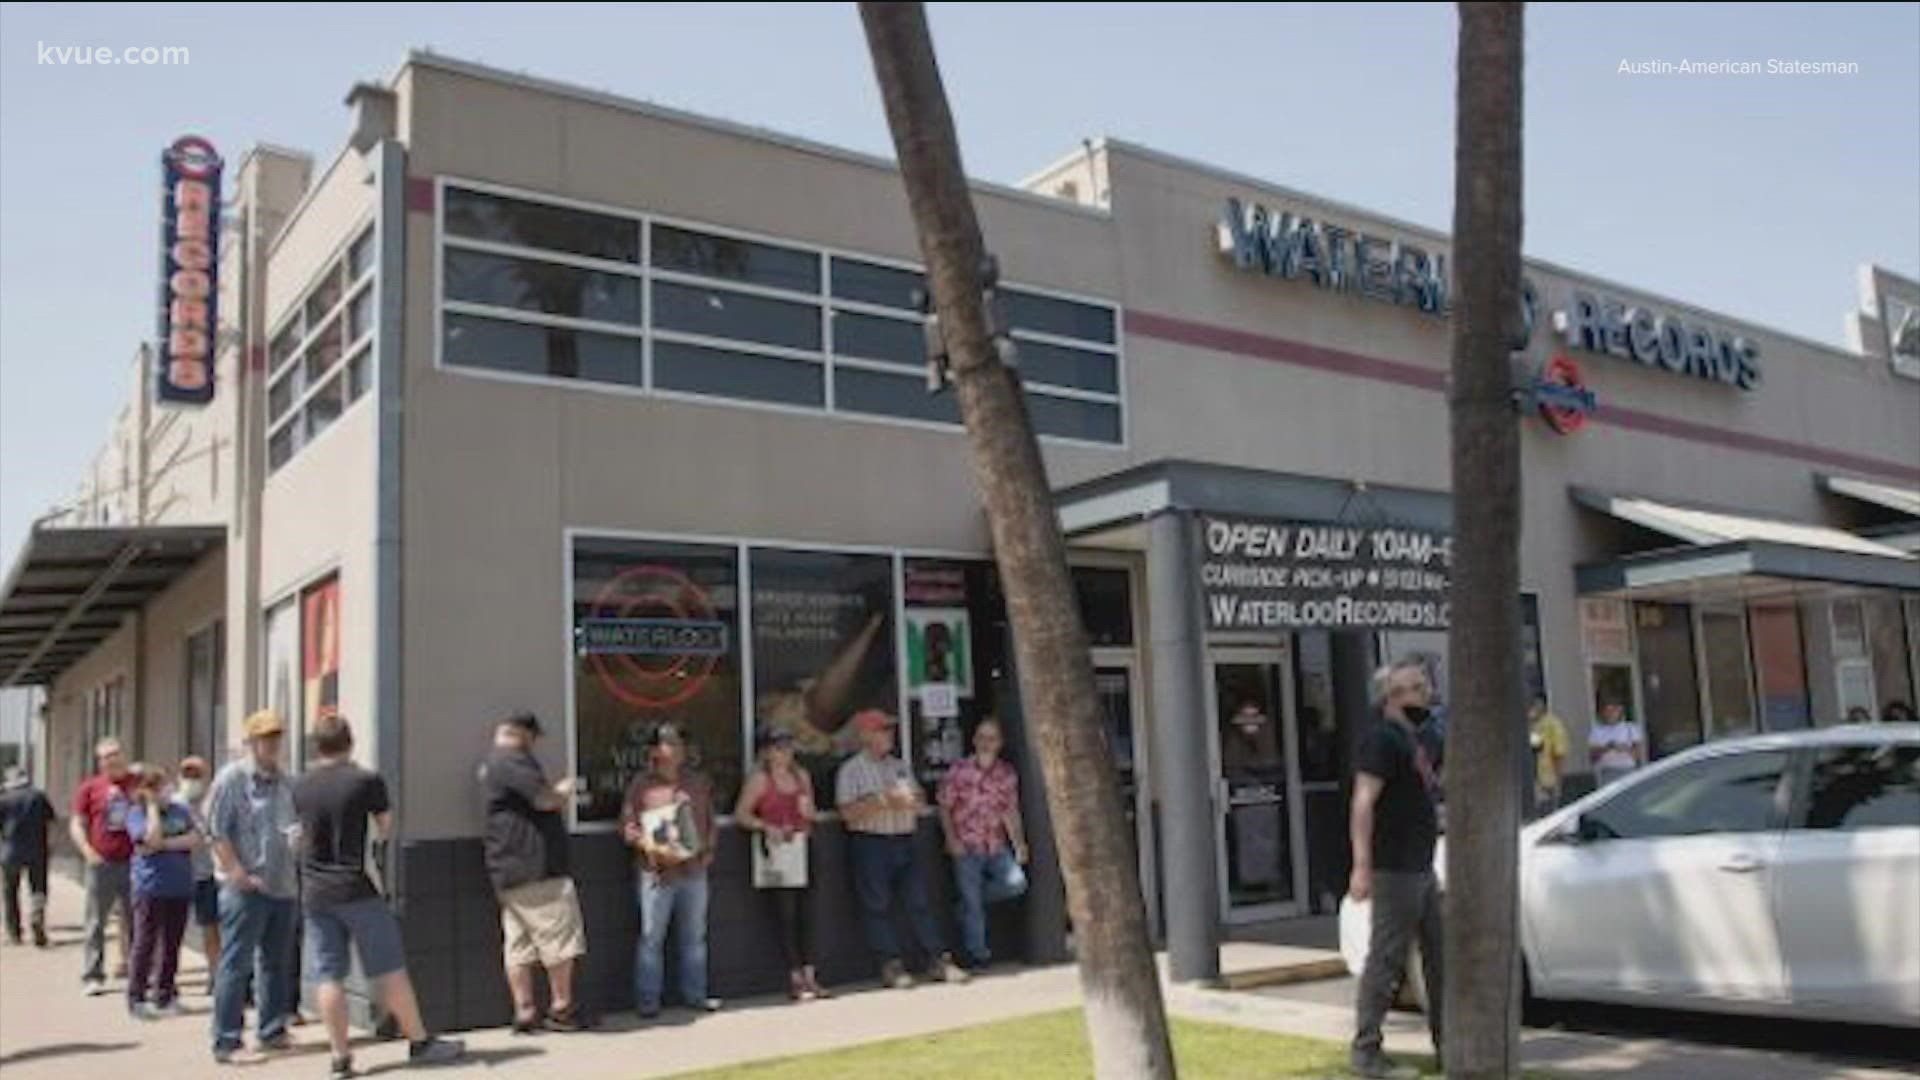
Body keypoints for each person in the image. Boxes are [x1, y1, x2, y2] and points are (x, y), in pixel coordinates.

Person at [293, 713, 465, 1078]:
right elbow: (385, 827)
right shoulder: (365, 781)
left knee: (329, 976)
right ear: (350, 742)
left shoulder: (301, 786)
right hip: (357, 887)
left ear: (316, 746)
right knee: (389, 969)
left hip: (315, 891)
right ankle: (419, 1041)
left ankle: (340, 1058)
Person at [1348, 662, 1444, 1080]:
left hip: (1423, 866)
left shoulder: (1416, 741)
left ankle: (1450, 1044)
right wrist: (1362, 866)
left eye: (1424, 687)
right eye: (1415, 689)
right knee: (1386, 961)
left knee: (1440, 958)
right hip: (1394, 869)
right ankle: (1366, 1051)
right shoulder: (1381, 740)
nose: (1424, 695)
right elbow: (1363, 802)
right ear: (1392, 696)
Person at [835, 708, 968, 990]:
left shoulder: (899, 766)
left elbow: (919, 798)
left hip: (905, 838)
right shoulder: (851, 770)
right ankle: (891, 965)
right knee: (877, 906)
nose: (888, 735)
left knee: (919, 902)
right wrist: (884, 800)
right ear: (865, 735)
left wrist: (912, 799)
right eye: (882, 730)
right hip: (871, 842)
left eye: (889, 729)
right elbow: (847, 814)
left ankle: (938, 960)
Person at [479, 712, 588, 1033]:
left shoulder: (491, 764)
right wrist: (565, 790)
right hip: (535, 867)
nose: (534, 744)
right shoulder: (512, 761)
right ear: (520, 733)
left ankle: (525, 1011)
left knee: (519, 945)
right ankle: (562, 1009)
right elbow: (543, 800)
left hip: (506, 869)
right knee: (558, 939)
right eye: (532, 737)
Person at [206, 710, 301, 1064]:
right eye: (265, 737)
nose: (272, 744)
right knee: (236, 964)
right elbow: (216, 830)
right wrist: (236, 872)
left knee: (275, 962)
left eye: (277, 736)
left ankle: (272, 1029)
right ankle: (226, 1040)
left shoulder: (287, 782)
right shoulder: (232, 779)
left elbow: (293, 825)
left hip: (282, 885)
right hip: (245, 888)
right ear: (250, 742)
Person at [621, 722, 719, 1019]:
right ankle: (649, 1002)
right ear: (655, 750)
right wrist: (649, 846)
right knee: (651, 937)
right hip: (657, 874)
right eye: (670, 743)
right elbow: (628, 828)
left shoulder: (698, 782)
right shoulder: (642, 785)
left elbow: (710, 821)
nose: (677, 749)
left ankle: (696, 996)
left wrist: (709, 852)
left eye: (680, 744)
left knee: (695, 936)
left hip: (694, 871)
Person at [733, 728, 825, 1002]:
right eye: (779, 748)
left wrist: (810, 815)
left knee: (809, 912)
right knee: (786, 915)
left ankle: (811, 974)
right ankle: (794, 976)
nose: (785, 753)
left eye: (788, 747)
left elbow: (811, 812)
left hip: (802, 845)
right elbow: (742, 814)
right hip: (776, 851)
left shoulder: (801, 776)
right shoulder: (760, 780)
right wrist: (765, 825)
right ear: (767, 752)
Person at [937, 716, 1029, 972]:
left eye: (992, 738)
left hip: (996, 845)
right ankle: (979, 955)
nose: (987, 743)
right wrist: (951, 839)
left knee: (1016, 883)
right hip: (966, 846)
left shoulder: (1006, 774)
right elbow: (945, 808)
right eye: (982, 737)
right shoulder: (959, 771)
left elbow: (1010, 811)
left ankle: (968, 905)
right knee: (973, 905)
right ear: (975, 740)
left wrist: (1019, 843)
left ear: (1000, 743)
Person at [126, 763, 200, 1018]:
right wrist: (152, 809)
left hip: (178, 886)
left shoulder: (181, 810)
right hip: (151, 886)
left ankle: (165, 994)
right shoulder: (137, 814)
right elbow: (149, 839)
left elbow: (194, 839)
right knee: (145, 942)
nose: (166, 792)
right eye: (158, 788)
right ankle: (136, 995)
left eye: (165, 787)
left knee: (172, 943)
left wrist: (164, 845)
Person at [71, 736, 137, 995]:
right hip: (102, 862)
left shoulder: (136, 783)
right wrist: (87, 851)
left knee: (136, 920)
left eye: (116, 754)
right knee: (96, 920)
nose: (112, 759)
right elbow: (77, 822)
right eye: (107, 756)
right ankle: (92, 974)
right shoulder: (90, 788)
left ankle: (137, 971)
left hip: (134, 862)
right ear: (99, 761)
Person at [176, 756, 222, 993]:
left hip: (207, 875)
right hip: (177, 876)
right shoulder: (174, 804)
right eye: (187, 775)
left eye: (197, 776)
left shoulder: (213, 803)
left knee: (211, 928)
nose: (191, 781)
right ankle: (167, 977)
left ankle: (215, 975)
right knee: (172, 930)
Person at [1, 764, 56, 948]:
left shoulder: (4, 799)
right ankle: (37, 915)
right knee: (38, 887)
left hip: (11, 850)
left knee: (10, 891)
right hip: (37, 849)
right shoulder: (38, 796)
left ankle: (14, 931)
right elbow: (50, 821)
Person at [1587, 700, 1645, 788]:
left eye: (1614, 710)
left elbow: (1638, 754)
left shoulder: (1630, 728)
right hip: (1607, 771)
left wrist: (1624, 748)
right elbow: (1592, 758)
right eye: (1607, 711)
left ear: (1620, 712)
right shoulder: (1597, 731)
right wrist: (1606, 748)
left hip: (1628, 769)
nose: (1610, 714)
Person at [1528, 694, 1570, 814]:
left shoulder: (1552, 724)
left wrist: (1558, 780)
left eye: (1536, 704)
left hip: (1546, 779)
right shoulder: (1528, 724)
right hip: (1529, 780)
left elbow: (1558, 754)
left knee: (1547, 813)